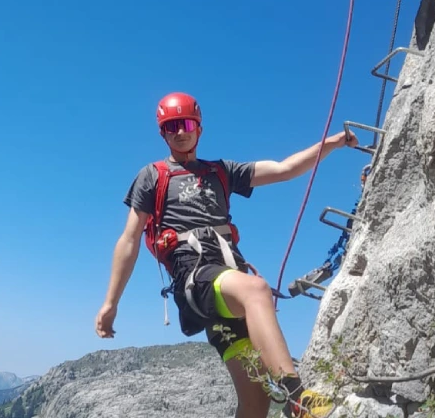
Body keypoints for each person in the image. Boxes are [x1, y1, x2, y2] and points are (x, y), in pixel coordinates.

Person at [95, 92, 358, 417]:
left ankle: (286, 397)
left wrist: (332, 143)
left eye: (186, 123)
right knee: (256, 289)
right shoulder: (152, 176)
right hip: (194, 278)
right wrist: (111, 303)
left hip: (227, 282)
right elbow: (129, 239)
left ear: (199, 128)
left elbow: (285, 169)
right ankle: (297, 398)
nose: (180, 132)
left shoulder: (221, 172)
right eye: (171, 126)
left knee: (255, 402)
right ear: (162, 133)